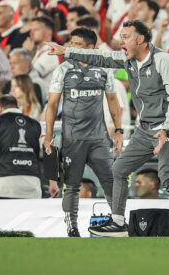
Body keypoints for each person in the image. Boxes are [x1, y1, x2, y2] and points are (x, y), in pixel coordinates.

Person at [46, 20, 169, 237]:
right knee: (119, 169)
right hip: (146, 127)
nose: (121, 42)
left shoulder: (164, 60)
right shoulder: (127, 59)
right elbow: (98, 57)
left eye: (126, 37)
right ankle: (118, 222)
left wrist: (166, 129)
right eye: (121, 36)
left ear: (141, 40)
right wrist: (66, 51)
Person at [44, 27, 123, 237]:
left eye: (77, 44)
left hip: (99, 139)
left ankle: (119, 223)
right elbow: (52, 105)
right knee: (71, 186)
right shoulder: (63, 69)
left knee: (111, 183)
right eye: (70, 43)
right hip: (72, 138)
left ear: (91, 48)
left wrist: (119, 131)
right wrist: (48, 135)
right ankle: (72, 228)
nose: (71, 47)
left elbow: (113, 101)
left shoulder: (104, 69)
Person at [0, 95, 43, 200]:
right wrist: (53, 182)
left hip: (4, 188)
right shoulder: (36, 124)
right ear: (17, 106)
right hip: (32, 188)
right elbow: (48, 151)